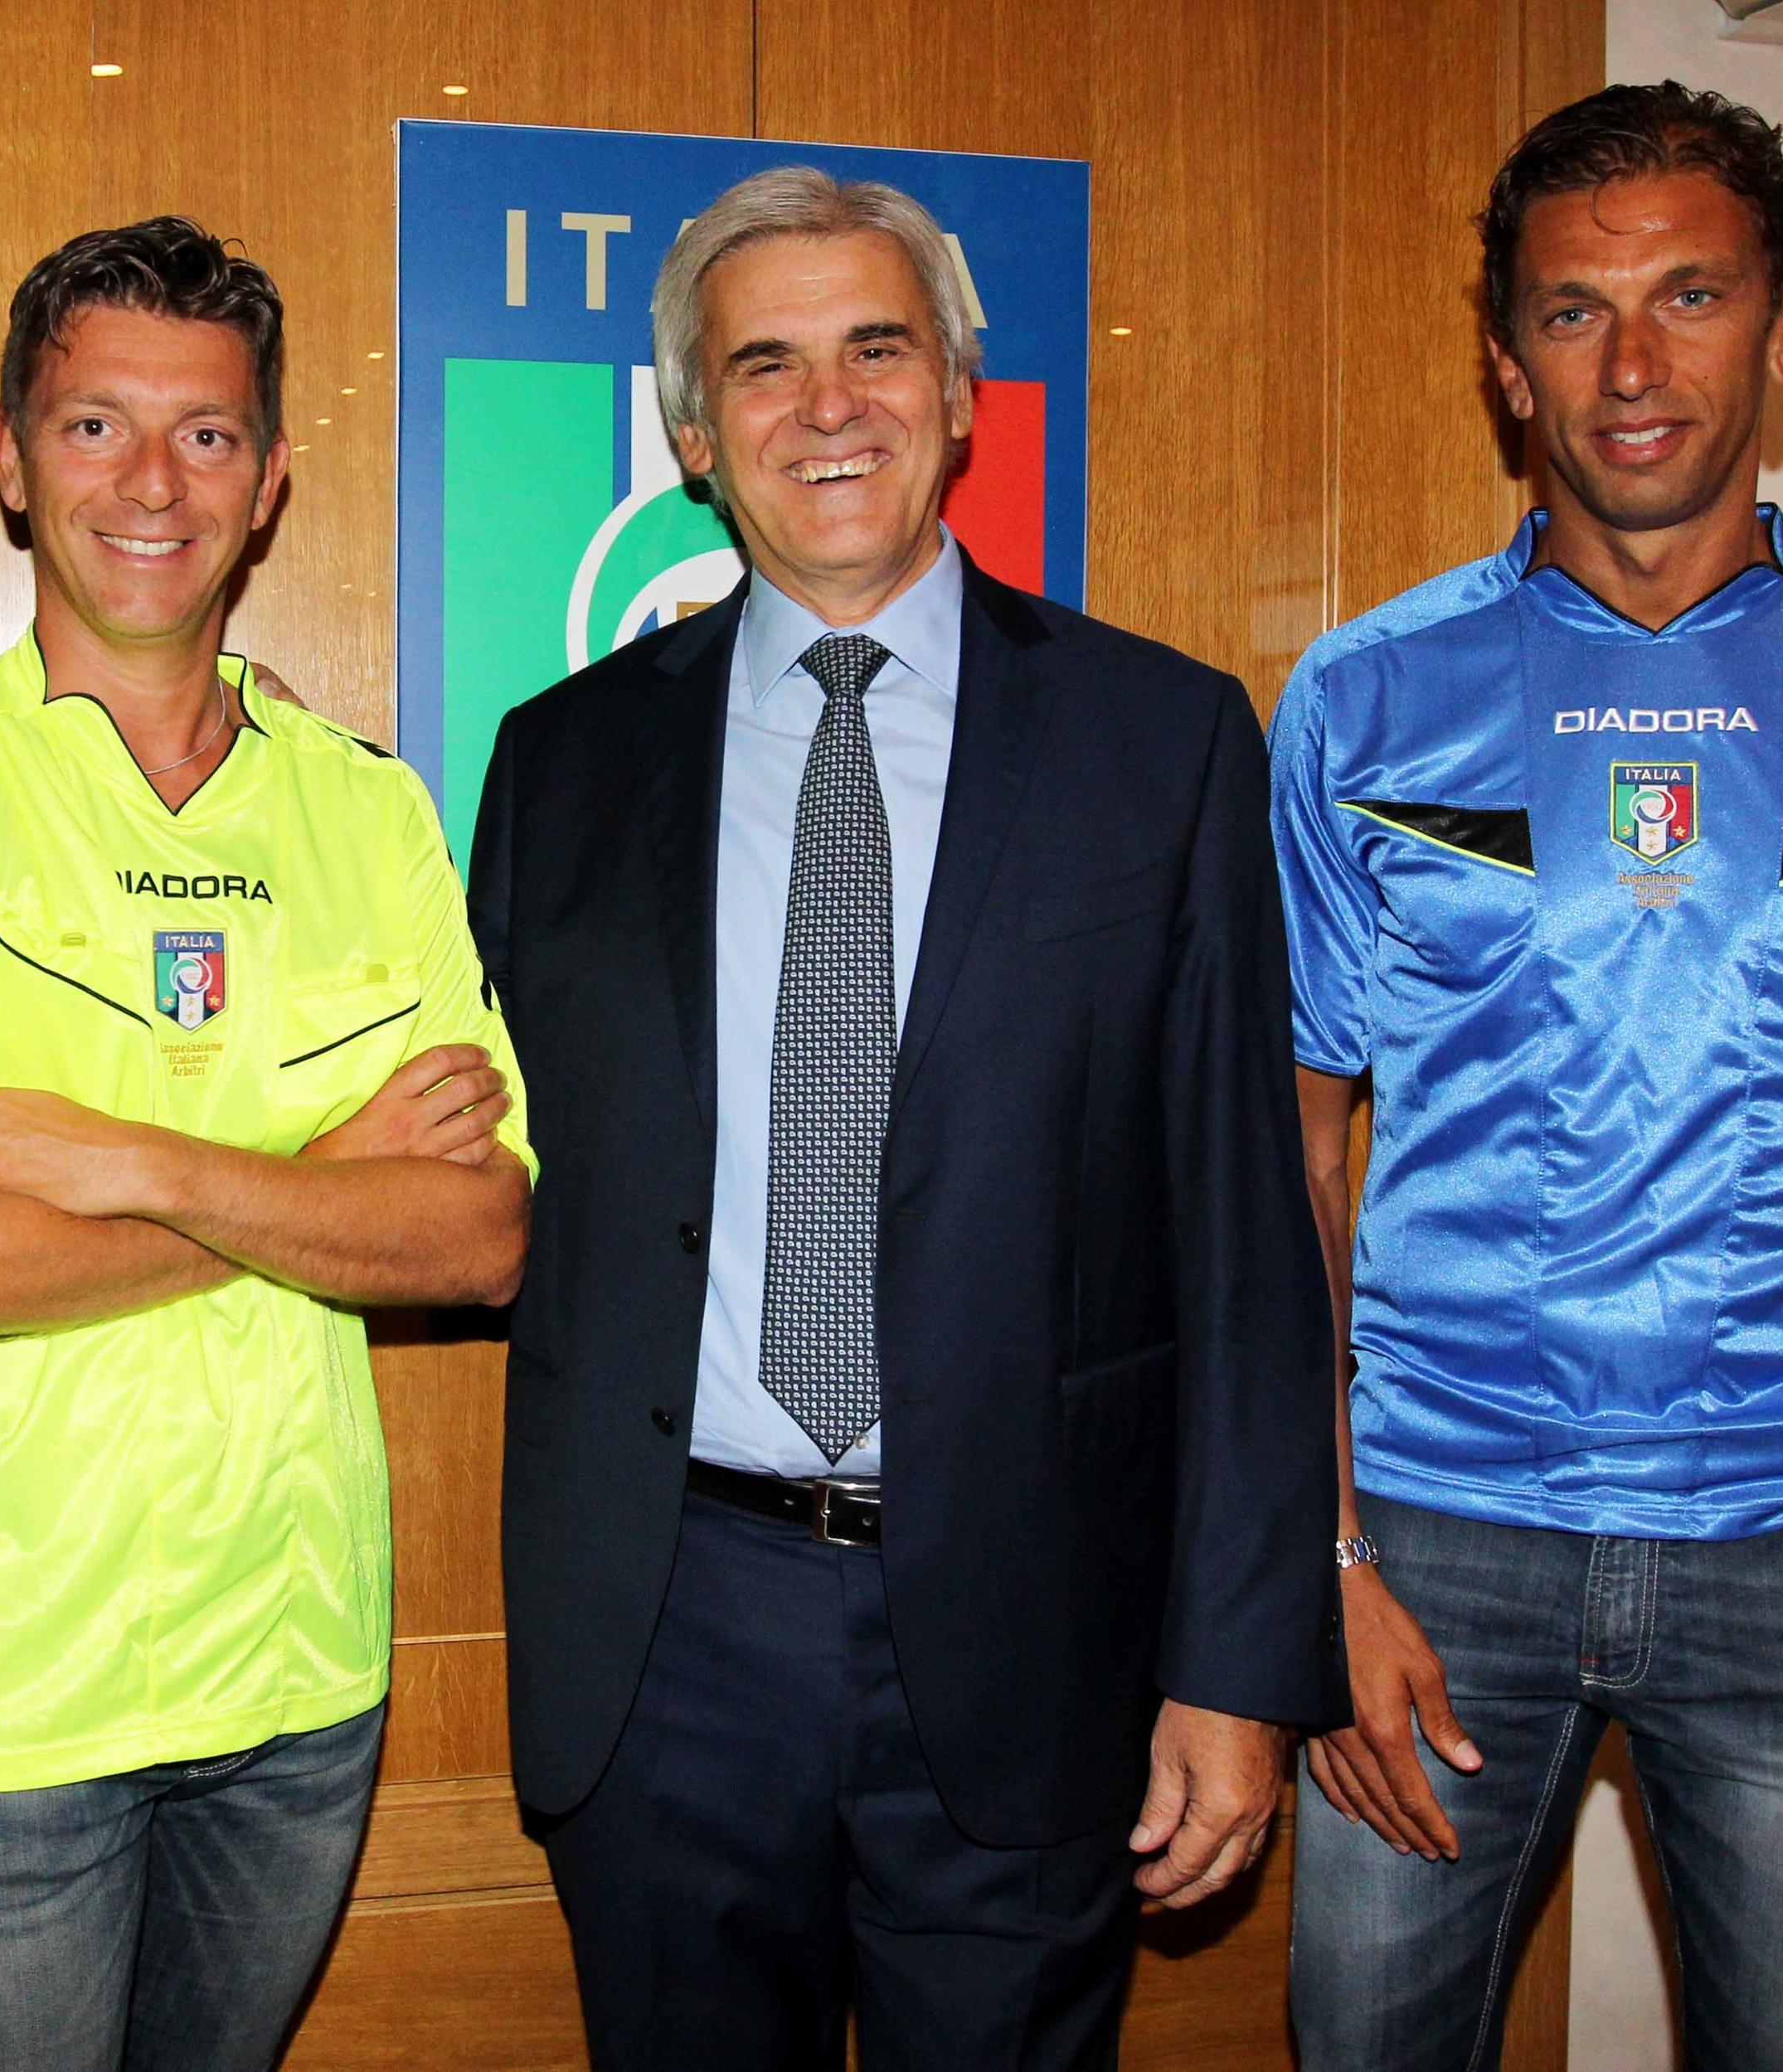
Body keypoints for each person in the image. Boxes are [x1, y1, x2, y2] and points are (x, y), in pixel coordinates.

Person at [469, 167, 1343, 2070]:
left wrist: (1236, 1666)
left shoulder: (1161, 739)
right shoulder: (560, 764)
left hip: (1040, 1623)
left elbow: (1242, 1236)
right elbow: (468, 1143)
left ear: (958, 393)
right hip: (669, 1632)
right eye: (760, 365)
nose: (827, 402)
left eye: (876, 346)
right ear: (695, 438)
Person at [1277, 83, 1783, 2072]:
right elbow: (1288, 1164)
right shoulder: (1360, 699)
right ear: (1501, 359)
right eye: (1569, 311)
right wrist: (1324, 1560)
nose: (1629, 367)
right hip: (1430, 1549)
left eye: (1688, 296)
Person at [0, 216, 533, 2072]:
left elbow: (481, 1233)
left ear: (267, 480)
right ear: (9, 459)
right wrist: (327, 1175)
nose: (152, 483)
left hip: (296, 1678)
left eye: (205, 433)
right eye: (95, 426)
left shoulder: (368, 807)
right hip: (0, 1704)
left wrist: (158, 1163)